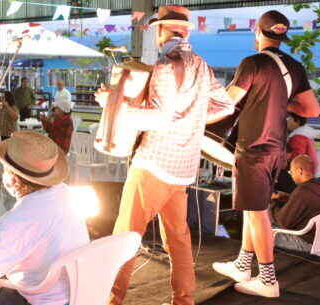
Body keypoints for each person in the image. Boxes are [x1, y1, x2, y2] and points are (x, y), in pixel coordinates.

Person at [95, 6, 235, 305]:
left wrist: (113, 102)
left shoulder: (165, 66)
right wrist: (193, 120)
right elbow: (225, 107)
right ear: (183, 32)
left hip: (154, 164)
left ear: (161, 30)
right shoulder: (200, 64)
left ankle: (111, 299)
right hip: (183, 168)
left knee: (125, 237)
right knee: (178, 238)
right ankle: (183, 300)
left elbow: (157, 118)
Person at [212, 10, 320, 298]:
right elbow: (313, 110)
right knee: (253, 208)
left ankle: (268, 279)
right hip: (276, 149)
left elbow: (228, 102)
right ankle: (243, 265)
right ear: (282, 36)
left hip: (253, 149)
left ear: (258, 33)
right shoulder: (294, 67)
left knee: (258, 213)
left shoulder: (253, 63)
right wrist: (283, 101)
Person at [0, 130, 89, 305]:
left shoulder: (20, 219)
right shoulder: (65, 193)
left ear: (14, 178)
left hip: (44, 301)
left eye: (5, 169)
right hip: (81, 295)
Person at [270, 155, 320, 252]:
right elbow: (311, 204)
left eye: (291, 171)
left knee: (259, 226)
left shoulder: (303, 191)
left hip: (303, 242)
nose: (291, 175)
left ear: (300, 171)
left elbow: (283, 222)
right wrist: (288, 198)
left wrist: (274, 202)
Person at [276, 113, 320, 194]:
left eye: (289, 119)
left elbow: (297, 159)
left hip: (303, 172)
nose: (287, 121)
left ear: (297, 122)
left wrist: (282, 166)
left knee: (277, 174)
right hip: (309, 170)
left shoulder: (298, 137)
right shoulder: (305, 135)